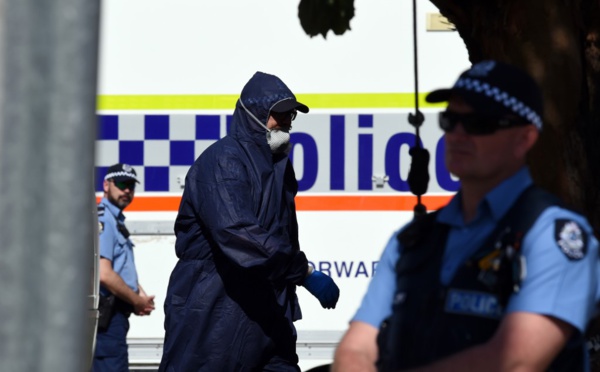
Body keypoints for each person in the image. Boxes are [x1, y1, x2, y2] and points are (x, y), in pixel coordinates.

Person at [332, 60, 600, 371]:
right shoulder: (411, 241)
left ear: (524, 138)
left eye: (479, 123)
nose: (458, 134)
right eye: (450, 120)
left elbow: (514, 361)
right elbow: (356, 348)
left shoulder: (554, 236)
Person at [158, 71, 340, 371]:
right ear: (253, 114)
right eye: (279, 114)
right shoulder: (224, 161)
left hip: (267, 316)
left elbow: (284, 236)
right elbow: (239, 235)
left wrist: (289, 290)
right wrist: (303, 272)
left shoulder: (279, 166)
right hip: (214, 318)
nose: (285, 123)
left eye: (290, 115)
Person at [94, 163, 156, 372]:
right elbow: (104, 274)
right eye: (121, 184)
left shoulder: (115, 220)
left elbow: (119, 268)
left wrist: (138, 293)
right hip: (106, 318)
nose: (127, 190)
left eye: (131, 185)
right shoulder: (105, 220)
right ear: (106, 185)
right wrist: (136, 300)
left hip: (114, 316)